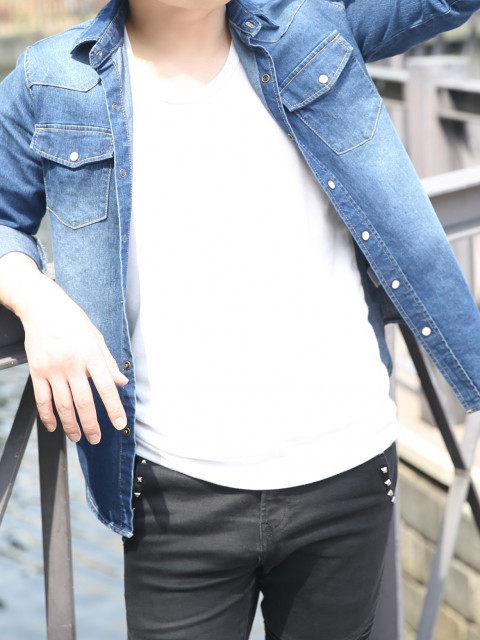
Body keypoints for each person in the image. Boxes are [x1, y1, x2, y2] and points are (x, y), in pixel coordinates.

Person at [1, 0, 480, 638]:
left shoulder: (312, 22)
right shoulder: (53, 79)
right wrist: (34, 298)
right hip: (174, 495)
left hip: (349, 470)